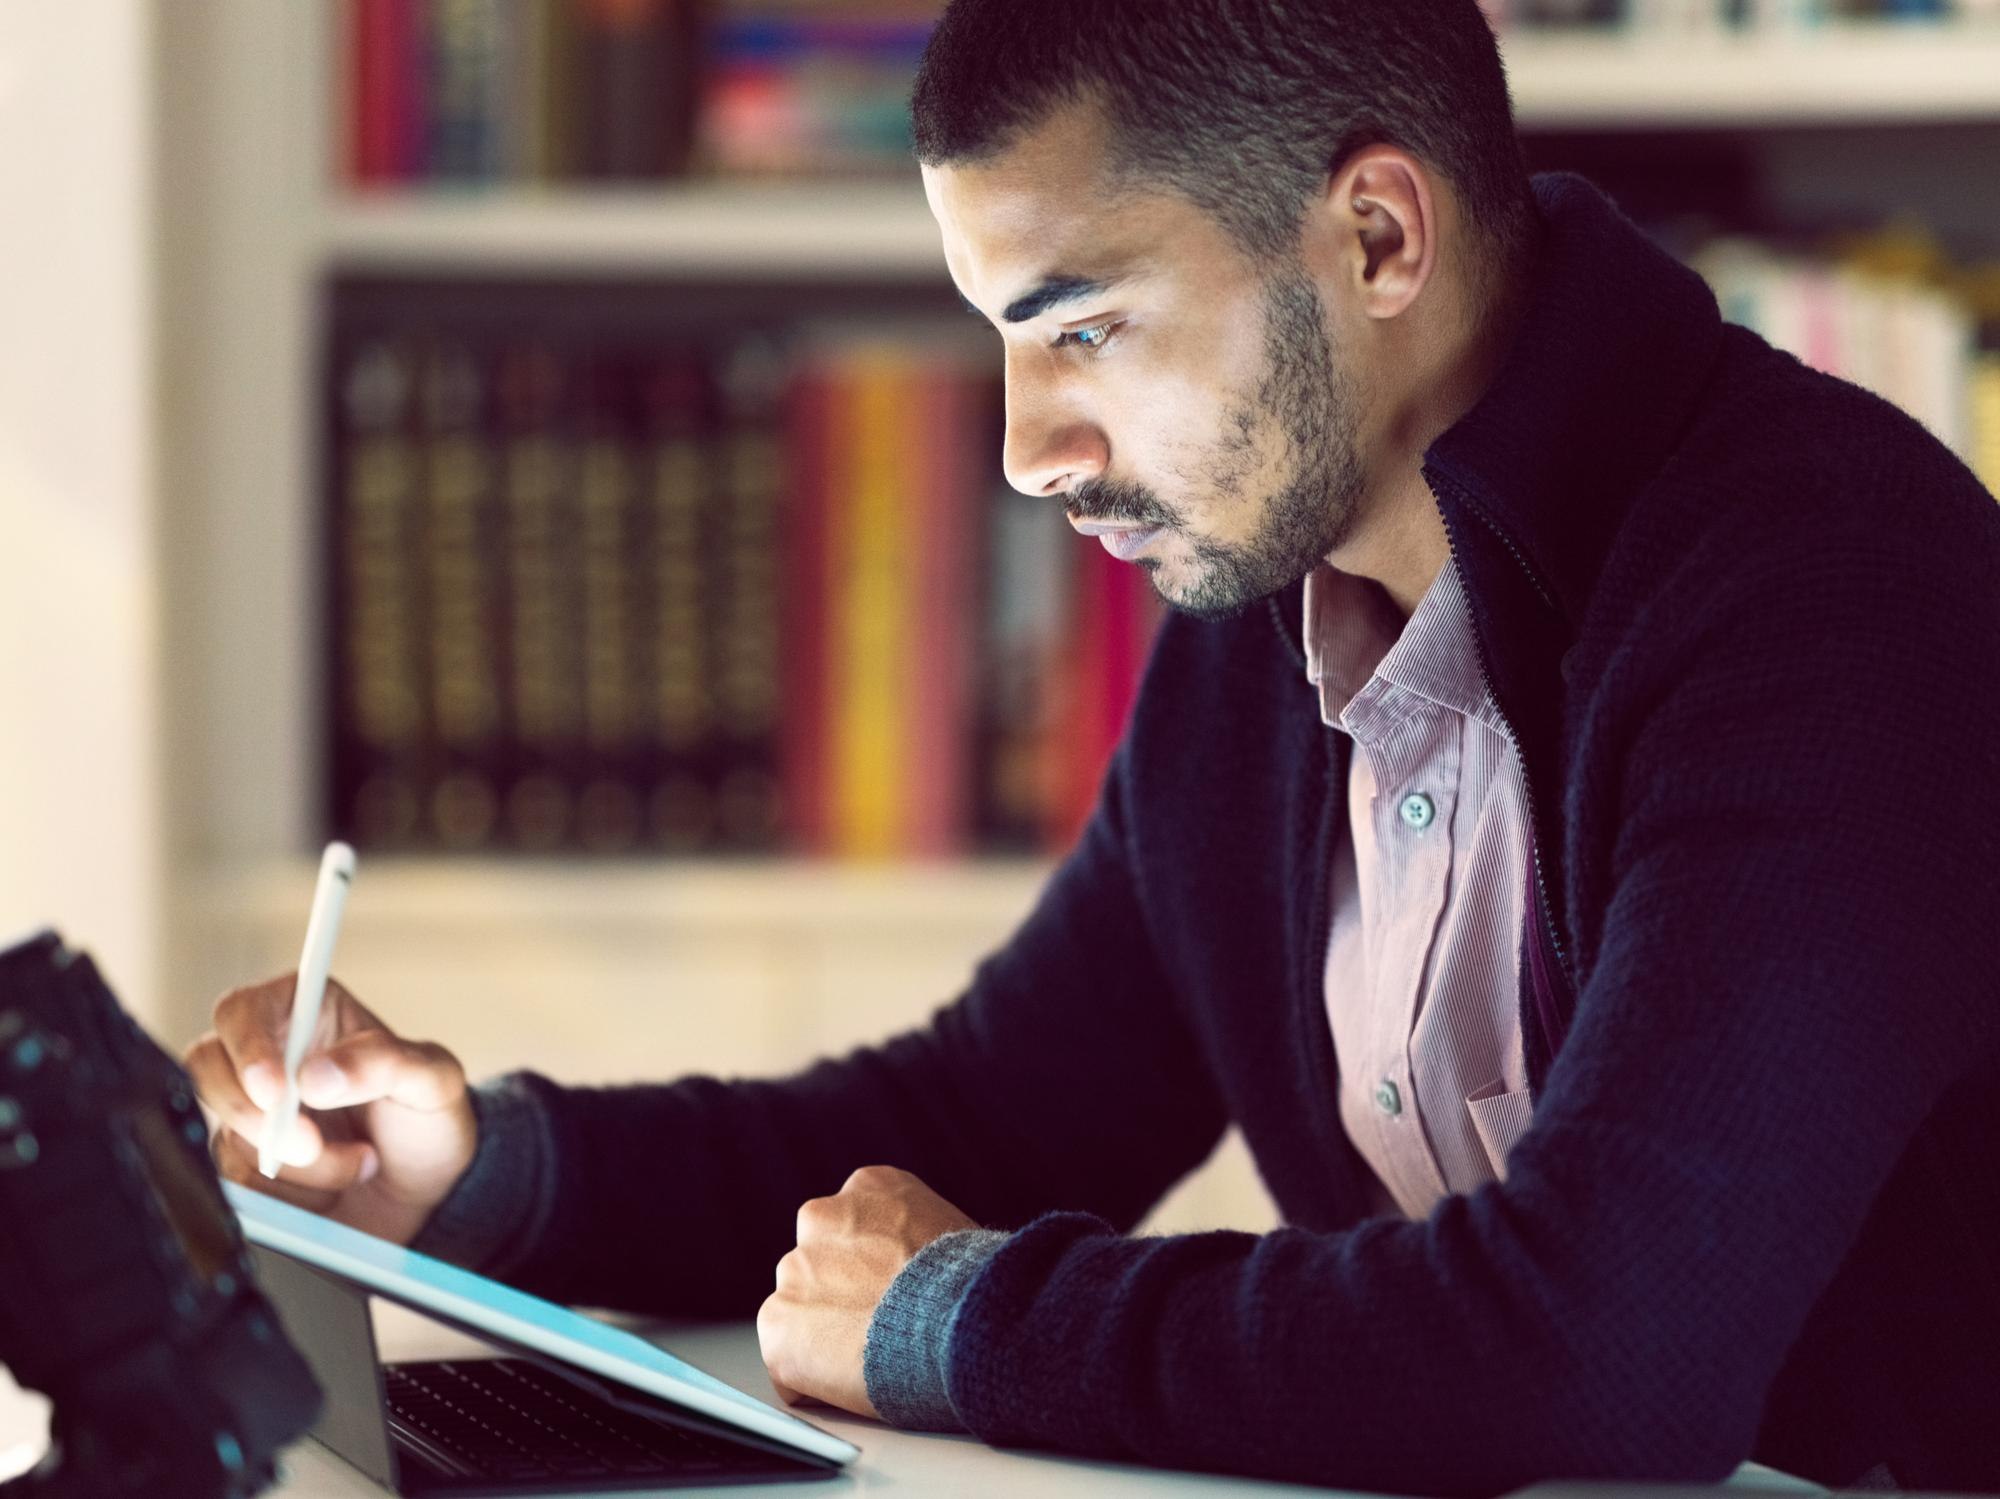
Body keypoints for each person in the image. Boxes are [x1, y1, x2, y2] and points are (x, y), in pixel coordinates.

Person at [188, 1, 2000, 1493]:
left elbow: (1610, 1344)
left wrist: (970, 1320)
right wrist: (481, 1171)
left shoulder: (1827, 591)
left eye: (1090, 329)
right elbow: (991, 1115)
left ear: (1379, 238)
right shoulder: (1269, 606)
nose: (1024, 450)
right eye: (1005, 341)